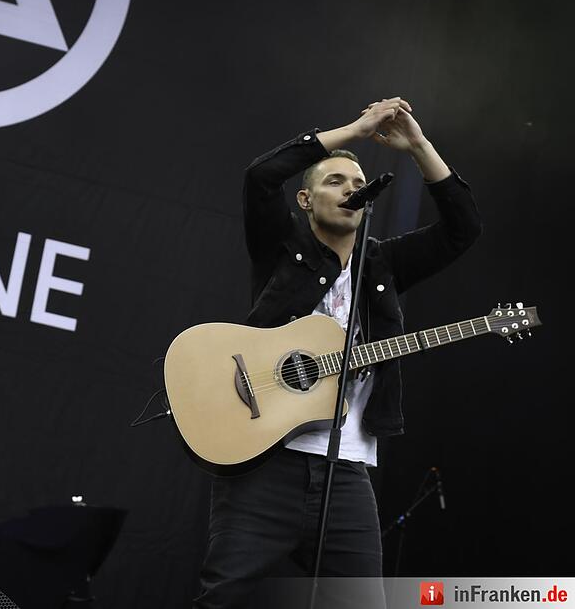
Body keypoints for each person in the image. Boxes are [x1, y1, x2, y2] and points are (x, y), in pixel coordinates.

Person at [194, 98, 482, 608]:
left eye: (357, 183)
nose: (352, 188)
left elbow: (463, 229)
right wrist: (356, 131)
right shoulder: (283, 247)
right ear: (305, 201)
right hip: (266, 464)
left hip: (347, 471)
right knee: (223, 598)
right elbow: (260, 178)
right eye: (334, 181)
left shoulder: (384, 264)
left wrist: (417, 145)